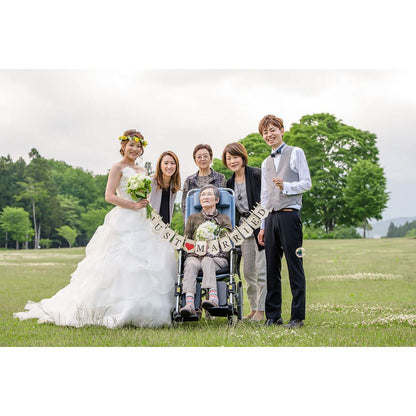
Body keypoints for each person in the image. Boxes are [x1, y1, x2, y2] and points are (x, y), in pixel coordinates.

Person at [14, 129, 176, 328]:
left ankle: (145, 310)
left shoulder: (143, 172)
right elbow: (109, 196)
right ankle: (113, 308)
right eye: (131, 145)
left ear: (142, 150)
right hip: (124, 219)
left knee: (147, 262)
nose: (134, 149)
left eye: (138, 146)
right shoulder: (117, 168)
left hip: (143, 219)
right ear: (123, 146)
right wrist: (132, 205)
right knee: (118, 264)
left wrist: (144, 205)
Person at [257, 115, 312, 329]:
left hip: (290, 215)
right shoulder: (265, 162)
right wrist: (263, 226)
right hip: (271, 217)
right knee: (272, 267)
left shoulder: (296, 152)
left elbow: (307, 183)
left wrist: (286, 186)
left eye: (273, 130)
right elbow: (264, 196)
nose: (269, 135)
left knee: (294, 265)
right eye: (265, 132)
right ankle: (273, 316)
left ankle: (297, 317)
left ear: (281, 130)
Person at [222, 142, 267, 322]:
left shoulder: (256, 175)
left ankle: (262, 311)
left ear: (242, 157)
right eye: (229, 158)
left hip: (260, 228)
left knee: (262, 270)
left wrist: (263, 226)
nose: (232, 161)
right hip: (243, 231)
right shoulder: (229, 182)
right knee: (248, 272)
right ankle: (253, 308)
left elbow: (266, 200)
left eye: (235, 157)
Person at [180, 185, 232, 317]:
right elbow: (186, 241)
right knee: (191, 263)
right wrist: (197, 246)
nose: (205, 197)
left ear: (217, 200)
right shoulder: (193, 218)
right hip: (196, 256)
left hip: (217, 258)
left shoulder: (224, 218)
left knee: (208, 260)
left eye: (209, 194)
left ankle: (213, 298)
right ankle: (189, 304)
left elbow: (228, 239)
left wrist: (212, 242)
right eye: (202, 195)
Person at [181, 144, 226, 218]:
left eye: (205, 156)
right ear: (195, 160)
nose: (202, 159)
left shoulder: (220, 178)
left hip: (216, 221)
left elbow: (223, 203)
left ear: (211, 158)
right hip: (195, 221)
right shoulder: (189, 181)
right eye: (199, 157)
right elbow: (184, 207)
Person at [149, 151, 181, 224]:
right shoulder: (151, 182)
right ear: (160, 165)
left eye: (172, 163)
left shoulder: (174, 185)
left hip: (165, 228)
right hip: (150, 225)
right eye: (166, 163)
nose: (169, 166)